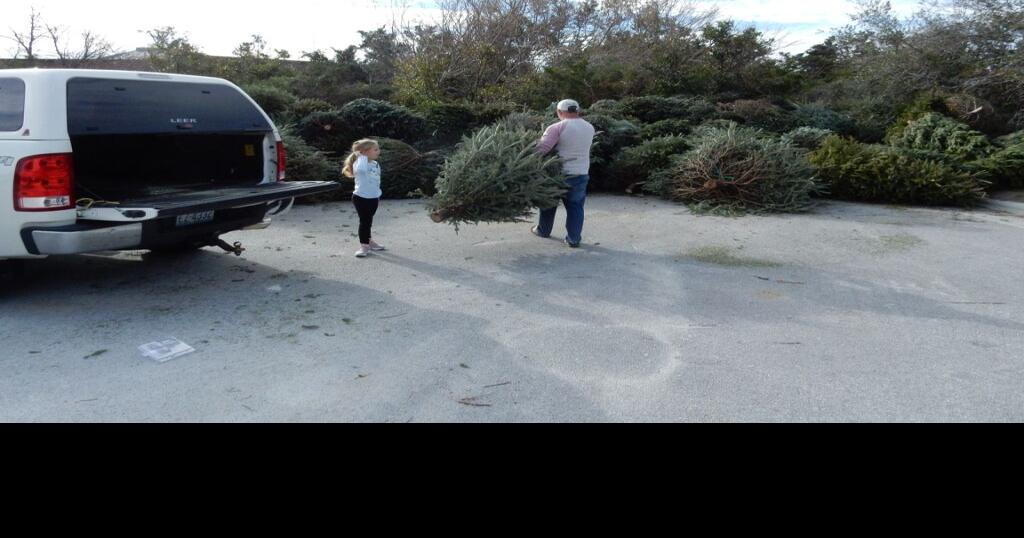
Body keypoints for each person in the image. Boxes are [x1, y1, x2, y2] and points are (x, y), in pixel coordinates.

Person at [532, 99, 596, 248]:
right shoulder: (589, 127)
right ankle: (573, 239)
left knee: (548, 204)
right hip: (581, 173)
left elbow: (542, 150)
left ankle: (543, 230)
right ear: (577, 111)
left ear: (559, 112)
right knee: (575, 207)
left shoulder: (557, 127)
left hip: (557, 174)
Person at [342, 139, 388, 258]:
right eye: (375, 149)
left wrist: (378, 194)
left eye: (378, 149)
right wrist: (360, 156)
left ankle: (369, 242)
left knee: (368, 221)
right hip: (361, 198)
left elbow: (377, 180)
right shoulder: (359, 163)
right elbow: (361, 171)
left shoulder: (375, 164)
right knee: (364, 222)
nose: (378, 151)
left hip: (373, 197)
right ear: (364, 152)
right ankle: (364, 246)